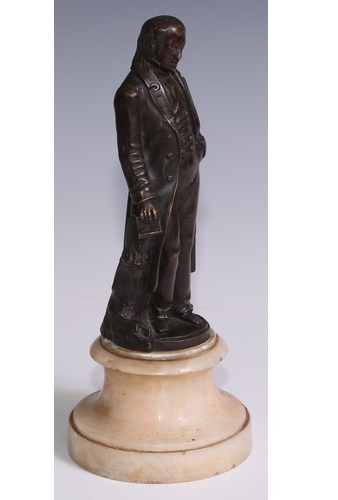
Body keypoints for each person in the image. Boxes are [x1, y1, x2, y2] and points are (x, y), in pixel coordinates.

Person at [100, 16, 208, 351]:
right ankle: (159, 313)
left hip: (188, 178)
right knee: (167, 249)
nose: (178, 54)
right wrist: (144, 197)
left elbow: (191, 121)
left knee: (186, 243)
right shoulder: (131, 93)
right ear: (151, 45)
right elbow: (130, 151)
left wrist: (198, 146)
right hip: (160, 187)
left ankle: (180, 307)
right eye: (172, 46)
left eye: (182, 46)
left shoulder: (177, 79)